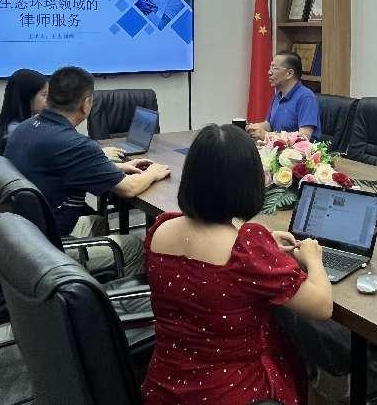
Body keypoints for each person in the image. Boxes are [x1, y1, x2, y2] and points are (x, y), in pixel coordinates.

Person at [142, 124, 333, 405]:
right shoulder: (246, 248)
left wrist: (262, 244)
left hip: (163, 387)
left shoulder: (160, 228)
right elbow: (322, 307)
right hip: (231, 392)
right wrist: (313, 259)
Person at [4, 66, 170, 277]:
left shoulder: (25, 128)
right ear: (86, 104)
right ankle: (115, 297)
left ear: (50, 96)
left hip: (22, 237)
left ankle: (90, 283)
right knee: (136, 246)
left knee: (97, 223)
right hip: (46, 250)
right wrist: (152, 172)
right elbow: (129, 188)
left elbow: (60, 166)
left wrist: (114, 167)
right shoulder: (72, 143)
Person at [246, 51, 320, 141]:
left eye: (274, 68)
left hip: (297, 150)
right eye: (270, 67)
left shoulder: (306, 98)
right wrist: (252, 128)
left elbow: (304, 137)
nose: (269, 72)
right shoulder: (278, 95)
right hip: (275, 147)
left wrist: (267, 135)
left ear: (289, 74)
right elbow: (269, 125)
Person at [0, 68, 47, 154]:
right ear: (27, 97)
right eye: (44, 95)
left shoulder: (31, 123)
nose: (48, 100)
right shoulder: (17, 131)